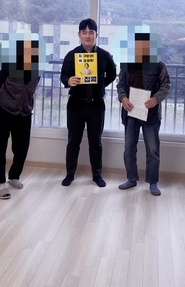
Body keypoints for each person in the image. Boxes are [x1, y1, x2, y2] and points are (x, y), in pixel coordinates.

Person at [61, 18, 117, 187]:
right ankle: (70, 173)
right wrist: (68, 81)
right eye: (84, 32)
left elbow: (112, 74)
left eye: (91, 32)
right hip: (76, 104)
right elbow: (63, 75)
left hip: (96, 105)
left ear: (96, 35)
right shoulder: (71, 55)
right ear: (79, 34)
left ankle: (97, 175)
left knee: (96, 142)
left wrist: (101, 85)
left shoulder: (104, 55)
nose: (87, 36)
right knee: (73, 141)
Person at [117, 30, 170, 195]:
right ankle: (131, 179)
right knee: (129, 148)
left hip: (151, 114)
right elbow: (120, 85)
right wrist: (123, 98)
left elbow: (165, 85)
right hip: (131, 112)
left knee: (152, 150)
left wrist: (156, 98)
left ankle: (153, 182)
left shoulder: (159, 65)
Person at [0, 37, 43, 199]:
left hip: (24, 111)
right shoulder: (9, 65)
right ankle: (0, 184)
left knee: (22, 147)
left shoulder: (37, 70)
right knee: (0, 146)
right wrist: (10, 98)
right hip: (2, 109)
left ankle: (14, 176)